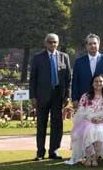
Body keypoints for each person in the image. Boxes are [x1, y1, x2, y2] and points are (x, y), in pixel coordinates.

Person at [29, 33, 72, 161]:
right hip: (42, 95)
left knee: (57, 125)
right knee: (41, 124)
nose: (52, 44)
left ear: (58, 43)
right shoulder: (38, 58)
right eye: (50, 42)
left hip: (58, 95)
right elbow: (32, 79)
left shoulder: (64, 57)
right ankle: (40, 152)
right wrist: (33, 96)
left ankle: (53, 150)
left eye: (55, 42)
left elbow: (68, 78)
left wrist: (67, 96)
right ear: (45, 43)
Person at [66, 74, 103, 166]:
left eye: (100, 81)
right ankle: (88, 158)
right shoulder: (86, 96)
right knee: (90, 130)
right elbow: (81, 110)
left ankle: (95, 158)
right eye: (96, 81)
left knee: (100, 131)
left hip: (102, 122)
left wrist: (101, 118)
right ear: (92, 83)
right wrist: (91, 118)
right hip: (88, 121)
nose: (98, 83)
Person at [72, 34, 103, 106]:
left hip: (102, 99)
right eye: (90, 44)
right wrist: (74, 99)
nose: (92, 45)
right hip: (84, 99)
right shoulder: (79, 62)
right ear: (86, 46)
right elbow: (75, 81)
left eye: (95, 43)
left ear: (99, 44)